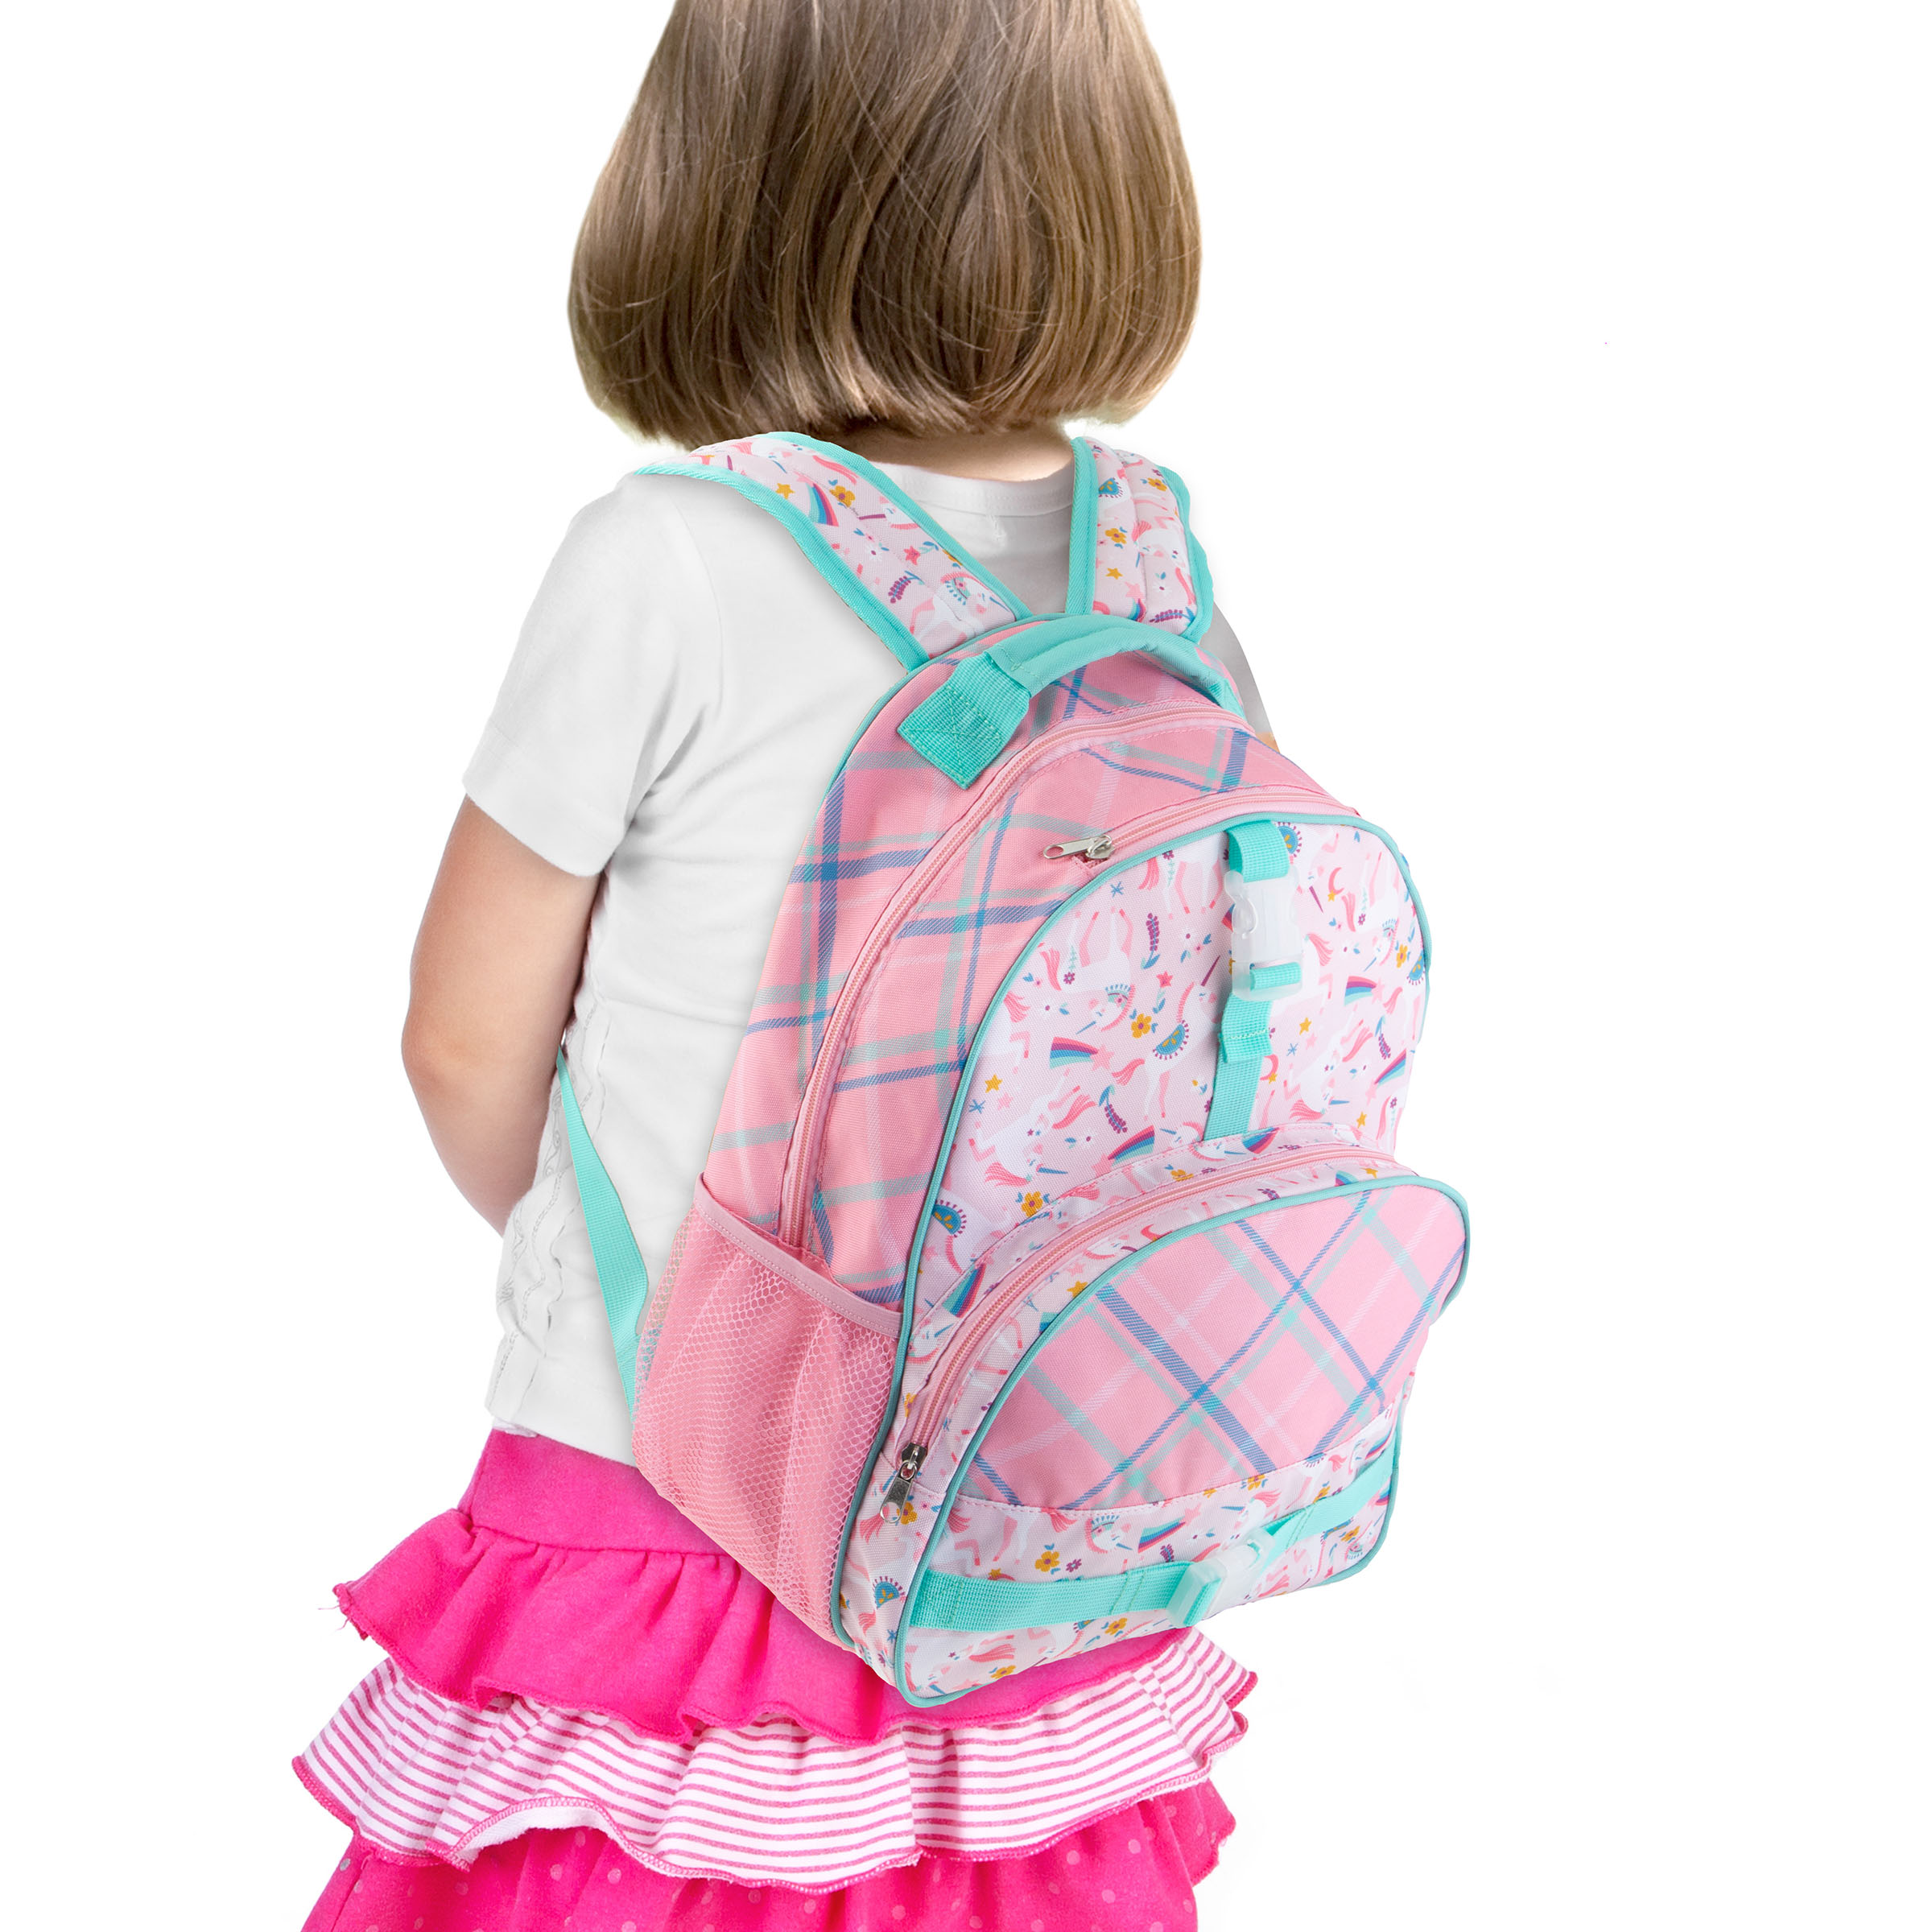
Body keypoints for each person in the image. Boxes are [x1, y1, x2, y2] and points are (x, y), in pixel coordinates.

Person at [295, 4, 1278, 1926]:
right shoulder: (1156, 576)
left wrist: (603, 1260)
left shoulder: (666, 556)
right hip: (1024, 1512)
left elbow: (462, 1040)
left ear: (712, 185)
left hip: (661, 1487)